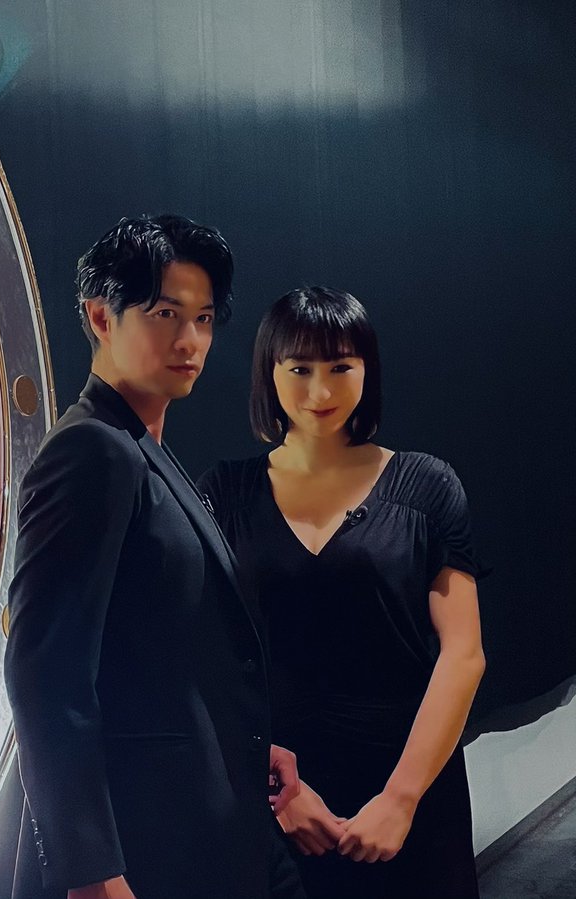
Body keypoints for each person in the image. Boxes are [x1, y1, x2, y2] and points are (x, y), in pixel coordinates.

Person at [4, 215, 304, 899]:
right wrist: (91, 872)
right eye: (166, 314)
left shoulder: (144, 450)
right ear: (100, 317)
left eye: (204, 319)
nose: (189, 339)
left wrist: (246, 747)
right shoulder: (91, 450)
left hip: (202, 822)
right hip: (145, 847)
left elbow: (162, 657)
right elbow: (46, 674)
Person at [197, 287, 486, 898]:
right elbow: (206, 658)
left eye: (340, 367)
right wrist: (276, 793)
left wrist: (400, 799)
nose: (320, 391)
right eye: (299, 369)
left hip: (411, 786)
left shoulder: (427, 484)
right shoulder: (225, 492)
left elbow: (463, 654)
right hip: (279, 794)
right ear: (269, 372)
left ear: (366, 370)